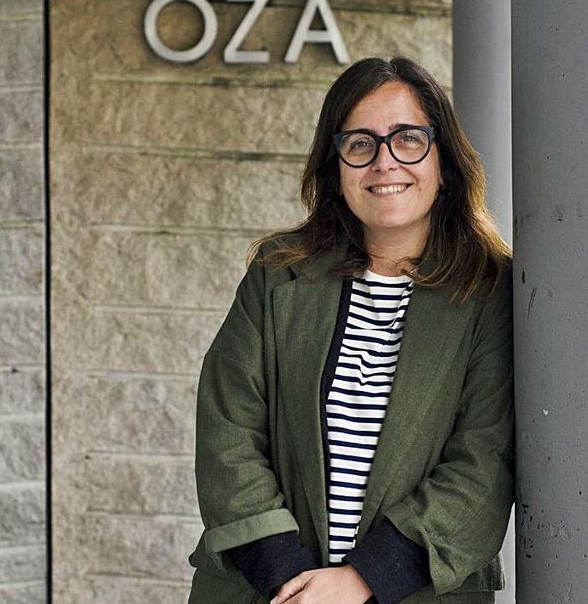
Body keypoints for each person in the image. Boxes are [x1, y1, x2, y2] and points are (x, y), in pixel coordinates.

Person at [187, 57, 514, 604]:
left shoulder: (488, 290)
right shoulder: (278, 274)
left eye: (407, 139)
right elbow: (228, 429)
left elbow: (486, 457)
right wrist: (292, 582)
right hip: (266, 590)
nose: (384, 162)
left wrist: (362, 582)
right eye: (360, 144)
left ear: (444, 162)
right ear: (335, 168)